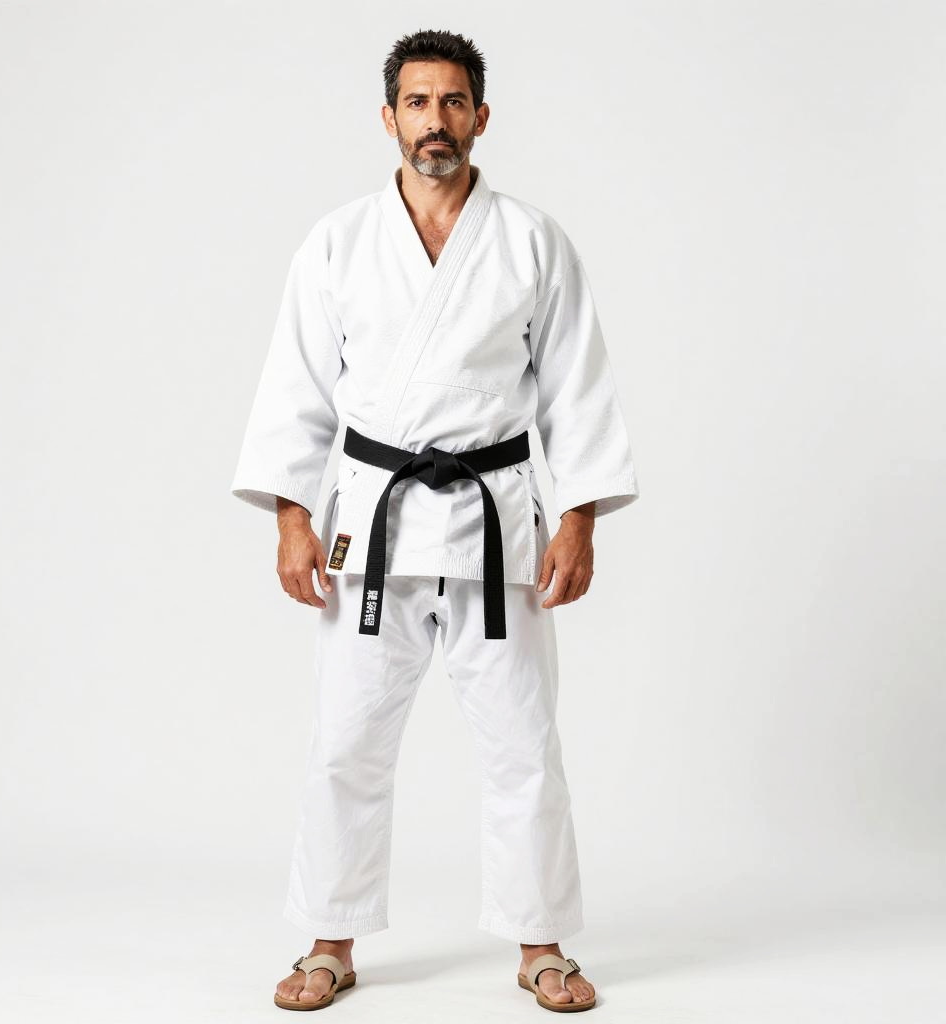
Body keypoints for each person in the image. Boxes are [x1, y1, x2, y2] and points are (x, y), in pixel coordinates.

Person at [231, 28, 639, 1013]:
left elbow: (575, 390)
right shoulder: (335, 242)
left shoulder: (533, 241)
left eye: (453, 102)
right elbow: (296, 393)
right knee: (345, 743)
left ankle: (540, 944)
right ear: (388, 119)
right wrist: (292, 517)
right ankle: (329, 940)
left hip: (498, 526)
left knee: (522, 747)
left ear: (481, 117)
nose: (435, 122)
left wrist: (577, 517)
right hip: (371, 529)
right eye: (416, 103)